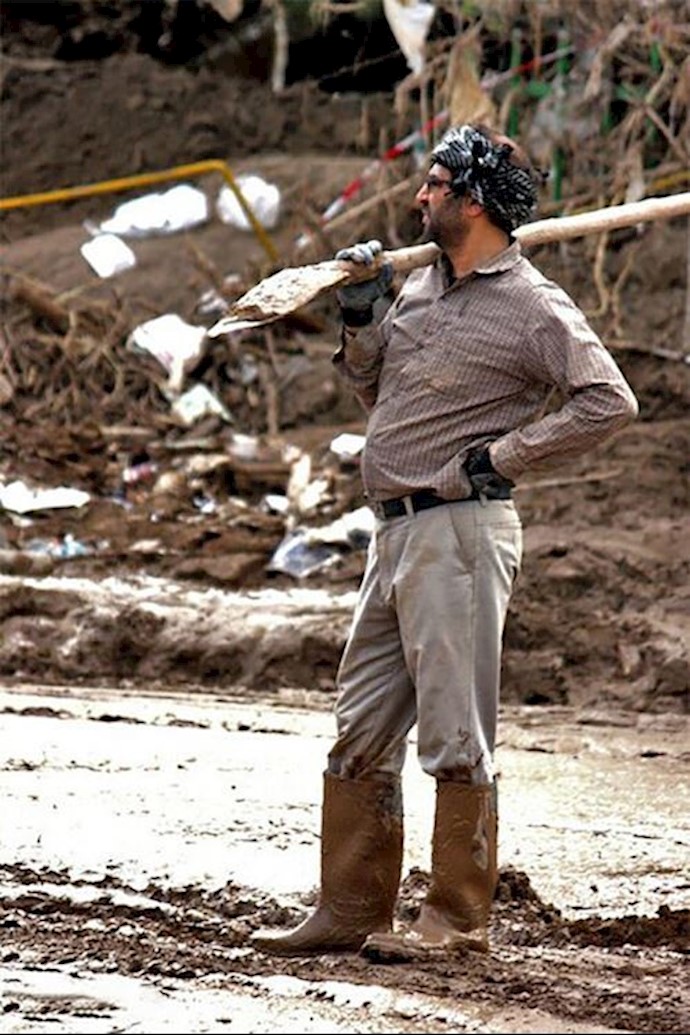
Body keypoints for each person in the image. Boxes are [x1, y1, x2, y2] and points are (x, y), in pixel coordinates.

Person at [251, 122, 639, 961]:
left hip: (460, 531)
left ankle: (457, 920)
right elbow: (375, 393)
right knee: (359, 724)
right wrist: (361, 316)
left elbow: (609, 400)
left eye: (432, 184)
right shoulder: (422, 287)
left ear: (471, 200)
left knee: (456, 732)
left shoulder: (532, 304)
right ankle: (351, 905)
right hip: (391, 535)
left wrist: (501, 457)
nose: (418, 196)